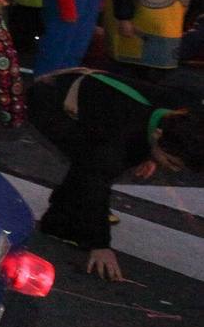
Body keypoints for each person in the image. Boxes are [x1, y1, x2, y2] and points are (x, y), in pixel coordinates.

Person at [29, 69, 203, 282]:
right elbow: (96, 180)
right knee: (90, 163)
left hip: (101, 104)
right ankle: (60, 222)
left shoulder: (179, 115)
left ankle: (59, 219)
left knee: (97, 160)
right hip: (52, 103)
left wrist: (151, 155)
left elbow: (151, 126)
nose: (174, 169)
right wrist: (100, 245)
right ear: (158, 136)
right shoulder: (121, 135)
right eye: (171, 162)